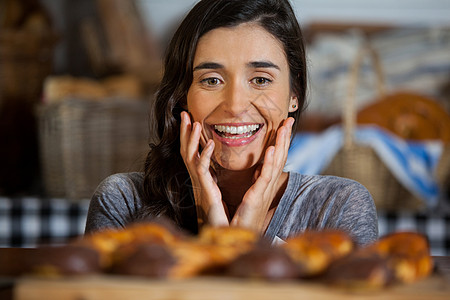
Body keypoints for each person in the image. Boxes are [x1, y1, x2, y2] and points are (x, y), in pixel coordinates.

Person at [85, 0, 378, 246]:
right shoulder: (123, 202)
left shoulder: (339, 208)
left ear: (294, 94)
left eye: (260, 80)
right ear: (182, 96)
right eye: (212, 80)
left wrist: (242, 244)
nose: (235, 106)